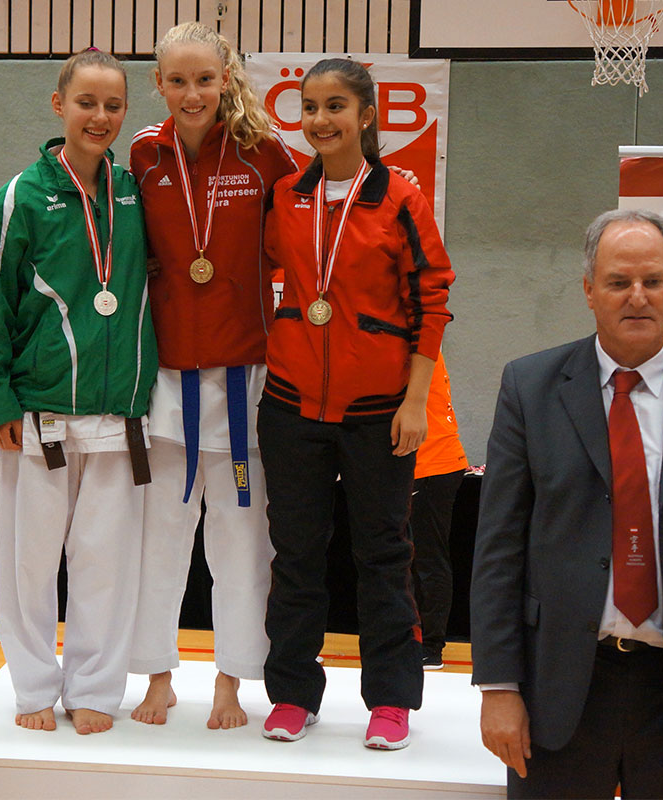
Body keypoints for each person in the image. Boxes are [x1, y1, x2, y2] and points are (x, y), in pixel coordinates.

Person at [471, 208, 663, 798]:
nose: (637, 296)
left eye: (653, 280)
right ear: (589, 290)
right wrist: (498, 686)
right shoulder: (530, 389)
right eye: (619, 282)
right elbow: (498, 552)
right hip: (558, 692)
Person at [258, 57, 454, 750]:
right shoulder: (285, 195)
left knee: (383, 555)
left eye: (335, 106)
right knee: (295, 557)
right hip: (290, 406)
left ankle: (392, 698)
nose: (320, 120)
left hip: (378, 412)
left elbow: (432, 301)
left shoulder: (400, 199)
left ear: (366, 116)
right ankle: (292, 694)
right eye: (309, 107)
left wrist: (415, 401)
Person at [0, 48, 157, 736]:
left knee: (107, 564)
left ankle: (96, 688)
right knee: (29, 566)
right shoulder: (20, 197)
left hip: (119, 412)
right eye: (86, 102)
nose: (100, 116)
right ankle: (33, 686)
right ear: (59, 105)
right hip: (38, 415)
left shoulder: (136, 194)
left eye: (113, 105)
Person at [126, 21, 297, 731]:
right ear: (159, 84)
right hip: (167, 379)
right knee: (160, 538)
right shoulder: (143, 153)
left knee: (240, 543)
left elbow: (305, 234)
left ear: (225, 79)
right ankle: (158, 677)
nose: (192, 93)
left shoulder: (265, 153)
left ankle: (232, 682)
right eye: (178, 80)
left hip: (244, 373)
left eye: (204, 79)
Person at [409, 350, 468, 671]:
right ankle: (419, 641)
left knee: (427, 558)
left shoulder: (418, 341)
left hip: (432, 462)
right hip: (427, 461)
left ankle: (430, 647)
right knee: (416, 557)